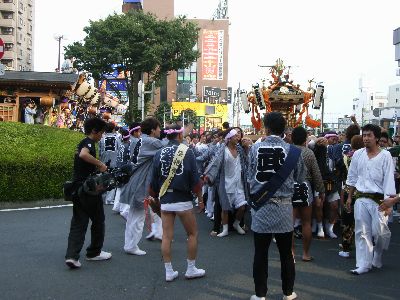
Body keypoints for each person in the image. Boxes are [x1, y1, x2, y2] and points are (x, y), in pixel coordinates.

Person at [248, 112, 305, 300]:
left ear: (266, 128)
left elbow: (249, 177)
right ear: (284, 129)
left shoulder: (254, 149)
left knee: (260, 253)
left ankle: (260, 294)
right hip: (284, 208)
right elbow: (300, 178)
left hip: (262, 207)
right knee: (286, 253)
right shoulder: (294, 151)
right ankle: (288, 292)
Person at [149, 124, 206, 282]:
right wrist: (200, 200)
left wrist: (153, 196)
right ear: (180, 136)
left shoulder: (159, 152)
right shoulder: (187, 151)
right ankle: (191, 269)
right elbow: (195, 179)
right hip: (183, 200)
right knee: (192, 234)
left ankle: (169, 271)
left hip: (166, 199)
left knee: (167, 236)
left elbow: (153, 181)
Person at [346, 124, 396, 275]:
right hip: (361, 198)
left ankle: (378, 253)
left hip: (380, 200)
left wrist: (389, 203)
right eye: (364, 135)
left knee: (380, 232)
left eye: (369, 135)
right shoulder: (358, 154)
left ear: (376, 138)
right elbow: (352, 177)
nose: (366, 138)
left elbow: (389, 180)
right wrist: (349, 197)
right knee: (361, 231)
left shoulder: (385, 156)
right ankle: (363, 264)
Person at [65, 117, 111, 269]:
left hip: (77, 189)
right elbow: (83, 155)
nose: (102, 136)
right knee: (98, 220)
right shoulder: (88, 143)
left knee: (78, 223)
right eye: (101, 132)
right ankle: (94, 252)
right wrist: (101, 164)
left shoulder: (83, 143)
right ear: (94, 131)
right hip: (88, 189)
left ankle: (72, 257)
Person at [120, 117, 163, 255]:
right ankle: (132, 245)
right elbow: (168, 149)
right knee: (138, 216)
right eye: (158, 128)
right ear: (152, 130)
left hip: (135, 179)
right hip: (140, 181)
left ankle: (129, 244)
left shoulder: (140, 140)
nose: (160, 130)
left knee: (134, 215)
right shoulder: (151, 141)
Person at [204, 128, 249, 237]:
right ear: (229, 139)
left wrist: (247, 147)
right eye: (235, 136)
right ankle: (224, 229)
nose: (237, 138)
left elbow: (247, 160)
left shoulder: (240, 149)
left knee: (243, 206)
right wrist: (209, 176)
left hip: (239, 183)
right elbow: (214, 163)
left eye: (238, 135)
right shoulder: (222, 150)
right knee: (225, 207)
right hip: (226, 183)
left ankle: (236, 224)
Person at [291, 126, 325, 262]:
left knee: (290, 224)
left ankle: (291, 252)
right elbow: (316, 174)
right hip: (306, 188)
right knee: (306, 223)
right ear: (305, 139)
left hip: (290, 188)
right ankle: (305, 253)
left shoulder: (288, 151)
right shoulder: (309, 153)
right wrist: (321, 190)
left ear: (292, 138)